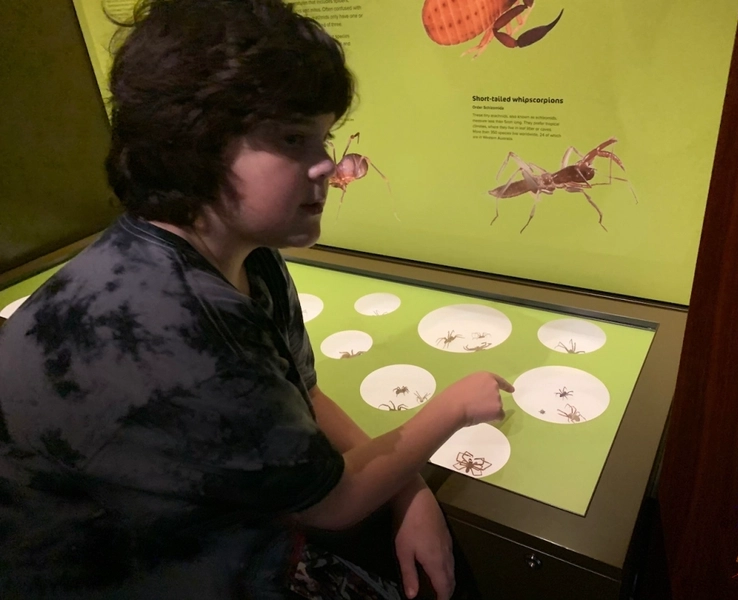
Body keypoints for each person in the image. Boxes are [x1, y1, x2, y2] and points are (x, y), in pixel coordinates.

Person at [0, 1, 513, 598]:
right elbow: (333, 503)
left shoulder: (248, 256)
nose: (325, 163)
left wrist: (409, 488)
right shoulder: (174, 322)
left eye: (323, 136)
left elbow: (303, 393)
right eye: (293, 138)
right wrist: (450, 409)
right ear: (193, 142)